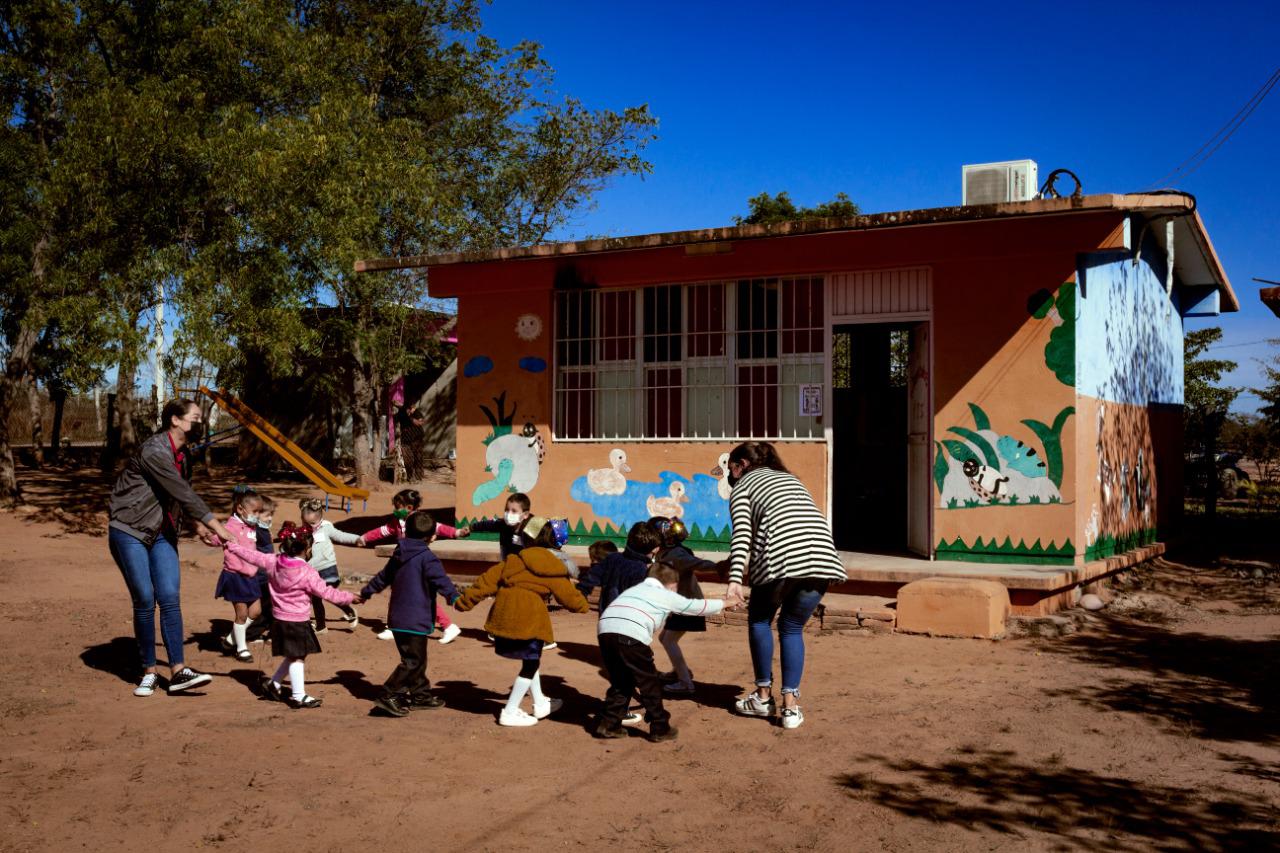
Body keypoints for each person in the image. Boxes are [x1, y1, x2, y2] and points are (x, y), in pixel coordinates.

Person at [107, 398, 234, 696]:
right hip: (130, 529)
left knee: (169, 596)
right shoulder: (155, 451)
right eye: (195, 417)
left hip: (162, 531)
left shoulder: (184, 454)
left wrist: (196, 526)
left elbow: (174, 497)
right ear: (175, 420)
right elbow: (182, 491)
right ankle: (149, 670)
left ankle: (178, 671)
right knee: (145, 598)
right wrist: (217, 526)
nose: (200, 423)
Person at [725, 441, 847, 730]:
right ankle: (790, 707)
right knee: (792, 628)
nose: (730, 477)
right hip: (822, 559)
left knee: (759, 620)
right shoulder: (792, 480)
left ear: (741, 464)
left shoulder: (743, 487)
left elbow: (743, 534)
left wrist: (734, 579)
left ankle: (763, 697)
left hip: (781, 560)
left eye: (730, 469)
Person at [453, 517, 589, 727]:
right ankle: (509, 711)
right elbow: (569, 597)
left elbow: (486, 581)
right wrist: (583, 605)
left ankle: (541, 702)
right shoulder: (553, 567)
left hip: (503, 616)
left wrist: (465, 601)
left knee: (530, 659)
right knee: (531, 662)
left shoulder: (514, 559)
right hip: (529, 619)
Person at [223, 522, 362, 710]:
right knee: (297, 658)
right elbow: (327, 593)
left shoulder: (274, 561)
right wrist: (349, 597)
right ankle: (298, 696)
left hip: (279, 620)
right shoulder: (308, 572)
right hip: (297, 622)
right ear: (307, 548)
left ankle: (274, 684)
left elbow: (252, 556)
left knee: (295, 655)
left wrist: (232, 547)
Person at [593, 563, 737, 742]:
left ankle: (609, 724)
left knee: (621, 680)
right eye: (676, 587)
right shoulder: (664, 594)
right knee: (649, 683)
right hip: (631, 634)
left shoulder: (635, 589)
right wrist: (727, 602)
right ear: (670, 584)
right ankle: (660, 727)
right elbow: (695, 606)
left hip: (605, 631)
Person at [359, 512, 460, 718]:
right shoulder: (427, 558)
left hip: (397, 618)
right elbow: (441, 581)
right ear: (431, 537)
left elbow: (383, 577)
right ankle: (388, 694)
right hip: (415, 618)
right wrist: (455, 598)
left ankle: (420, 695)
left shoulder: (399, 552)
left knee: (416, 658)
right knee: (412, 661)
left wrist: (366, 592)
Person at [360, 488, 465, 643]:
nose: (395, 510)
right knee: (397, 592)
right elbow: (383, 531)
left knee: (422, 596)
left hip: (417, 563)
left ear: (408, 507)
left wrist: (456, 533)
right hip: (402, 561)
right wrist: (365, 537)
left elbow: (439, 527)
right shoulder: (398, 522)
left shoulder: (420, 520)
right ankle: (392, 626)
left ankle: (448, 626)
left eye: (397, 507)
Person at [647, 516, 728, 696]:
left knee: (668, 640)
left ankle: (685, 683)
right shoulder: (670, 551)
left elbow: (698, 563)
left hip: (688, 605)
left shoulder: (675, 554)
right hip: (682, 604)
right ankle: (679, 671)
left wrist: (718, 567)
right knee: (665, 638)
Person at [215, 486, 265, 662]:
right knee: (242, 614)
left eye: (260, 511)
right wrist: (209, 536)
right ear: (240, 509)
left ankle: (230, 639)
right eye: (255, 511)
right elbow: (217, 537)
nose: (257, 515)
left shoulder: (251, 526)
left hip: (251, 576)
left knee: (256, 611)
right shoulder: (231, 525)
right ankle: (241, 648)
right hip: (235, 575)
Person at [298, 497, 362, 633]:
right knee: (316, 598)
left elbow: (341, 535)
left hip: (328, 570)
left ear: (314, 515)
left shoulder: (326, 527)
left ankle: (350, 611)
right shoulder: (305, 531)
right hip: (314, 571)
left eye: (304, 513)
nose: (302, 516)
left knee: (329, 595)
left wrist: (357, 538)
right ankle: (321, 627)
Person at [580, 522, 661, 613]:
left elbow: (589, 580)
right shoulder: (641, 570)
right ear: (654, 549)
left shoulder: (612, 558)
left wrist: (580, 595)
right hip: (628, 621)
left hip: (606, 618)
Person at [244, 496, 276, 643]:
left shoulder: (262, 529)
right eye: (267, 515)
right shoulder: (256, 530)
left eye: (272, 515)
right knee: (265, 607)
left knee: (270, 606)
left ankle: (272, 633)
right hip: (260, 576)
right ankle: (250, 634)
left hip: (267, 575)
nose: (270, 518)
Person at [467, 492, 533, 559]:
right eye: (507, 510)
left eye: (514, 511)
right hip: (506, 563)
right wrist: (471, 528)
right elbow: (487, 524)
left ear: (525, 515)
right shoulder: (503, 524)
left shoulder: (534, 528)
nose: (509, 514)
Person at [395, 402, 427, 482]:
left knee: (418, 459)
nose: (411, 410)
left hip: (417, 439)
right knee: (408, 460)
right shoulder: (401, 413)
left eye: (412, 408)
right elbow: (394, 419)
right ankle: (410, 477)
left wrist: (411, 418)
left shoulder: (416, 412)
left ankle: (419, 477)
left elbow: (420, 422)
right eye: (409, 408)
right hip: (405, 440)